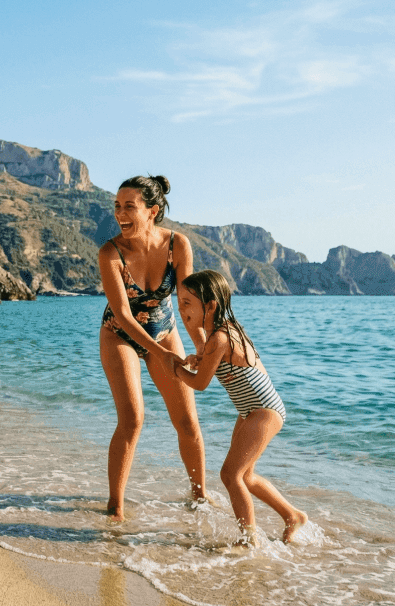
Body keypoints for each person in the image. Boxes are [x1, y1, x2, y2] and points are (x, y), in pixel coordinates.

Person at [98, 175, 207, 521]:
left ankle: (199, 498)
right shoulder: (110, 253)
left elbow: (188, 304)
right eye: (117, 206)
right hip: (120, 334)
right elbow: (125, 316)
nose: (120, 213)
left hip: (165, 330)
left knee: (188, 421)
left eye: (129, 206)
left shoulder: (178, 246)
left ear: (152, 211)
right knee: (132, 418)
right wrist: (161, 355)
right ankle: (115, 506)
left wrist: (202, 345)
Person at [174, 269, 308, 546]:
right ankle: (292, 515)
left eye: (187, 303)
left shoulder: (222, 337)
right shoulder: (218, 336)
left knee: (230, 474)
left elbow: (199, 384)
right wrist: (195, 359)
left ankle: (250, 540)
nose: (180, 308)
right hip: (251, 410)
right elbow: (207, 360)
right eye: (179, 302)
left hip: (264, 411)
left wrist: (175, 369)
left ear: (209, 306)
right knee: (245, 476)